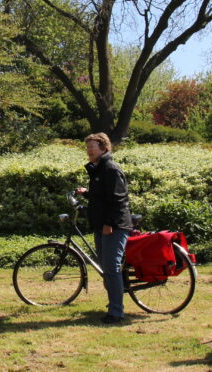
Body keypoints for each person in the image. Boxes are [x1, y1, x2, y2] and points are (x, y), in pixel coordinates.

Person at [73, 133, 133, 324]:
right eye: (87, 148)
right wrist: (88, 193)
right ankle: (113, 305)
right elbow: (103, 196)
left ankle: (116, 312)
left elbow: (118, 200)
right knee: (107, 268)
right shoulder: (98, 170)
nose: (89, 151)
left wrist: (109, 224)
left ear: (104, 148)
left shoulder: (110, 169)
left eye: (92, 147)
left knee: (111, 268)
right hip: (101, 225)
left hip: (114, 226)